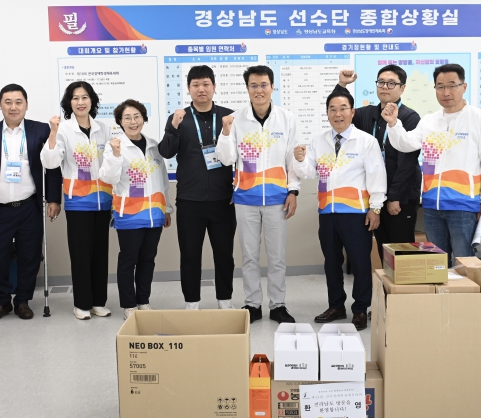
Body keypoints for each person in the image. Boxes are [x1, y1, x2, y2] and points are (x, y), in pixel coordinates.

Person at [383, 63, 481, 261]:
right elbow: (406, 144)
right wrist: (394, 123)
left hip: (463, 205)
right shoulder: (429, 121)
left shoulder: (480, 119)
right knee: (436, 264)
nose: (446, 92)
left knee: (464, 262)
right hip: (431, 206)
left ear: (463, 87)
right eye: (440, 86)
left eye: (452, 85)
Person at [293, 90, 386, 330]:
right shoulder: (318, 141)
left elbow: (377, 176)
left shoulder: (366, 141)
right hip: (327, 212)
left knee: (360, 263)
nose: (338, 114)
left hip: (356, 213)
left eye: (343, 108)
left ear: (352, 112)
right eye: (332, 109)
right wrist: (300, 159)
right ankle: (336, 306)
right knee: (331, 262)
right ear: (327, 113)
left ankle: (360, 309)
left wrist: (375, 208)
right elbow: (309, 173)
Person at [0, 84, 62, 322]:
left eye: (18, 102)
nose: (13, 107)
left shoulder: (40, 130)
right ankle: (2, 302)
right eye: (8, 102)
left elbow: (52, 167)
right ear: (0, 105)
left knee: (29, 257)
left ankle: (22, 301)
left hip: (29, 206)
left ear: (26, 105)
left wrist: (54, 198)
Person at [217, 65, 299, 324]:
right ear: (247, 89)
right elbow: (226, 158)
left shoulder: (287, 119)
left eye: (264, 85)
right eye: (254, 85)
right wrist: (226, 133)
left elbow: (292, 159)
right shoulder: (235, 119)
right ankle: (252, 303)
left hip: (277, 199)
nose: (259, 90)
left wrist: (294, 190)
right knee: (250, 256)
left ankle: (278, 305)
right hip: (245, 199)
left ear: (272, 87)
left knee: (277, 257)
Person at [158, 65, 236, 310]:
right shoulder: (180, 118)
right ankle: (192, 302)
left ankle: (225, 299)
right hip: (190, 200)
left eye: (206, 84)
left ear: (214, 87)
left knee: (224, 254)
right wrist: (173, 126)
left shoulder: (228, 116)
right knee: (190, 255)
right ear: (189, 88)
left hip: (223, 199)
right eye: (196, 85)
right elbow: (166, 151)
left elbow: (240, 156)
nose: (201, 89)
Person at [41, 81, 113, 320]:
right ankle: (82, 303)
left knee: (100, 253)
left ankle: (98, 301)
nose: (80, 102)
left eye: (84, 97)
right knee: (81, 254)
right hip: (79, 202)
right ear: (68, 103)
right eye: (75, 98)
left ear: (92, 101)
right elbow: (50, 162)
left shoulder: (104, 129)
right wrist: (53, 132)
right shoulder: (63, 130)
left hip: (103, 201)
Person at [334, 66, 421, 261]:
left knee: (401, 252)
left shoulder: (409, 117)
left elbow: (408, 163)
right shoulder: (368, 114)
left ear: (402, 88)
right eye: (381, 82)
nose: (385, 87)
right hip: (375, 195)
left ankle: (403, 283)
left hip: (401, 196)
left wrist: (394, 197)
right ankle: (387, 282)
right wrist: (342, 86)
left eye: (391, 83)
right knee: (384, 249)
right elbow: (341, 110)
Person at [100, 99, 172, 320]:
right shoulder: (115, 146)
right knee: (128, 260)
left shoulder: (153, 145)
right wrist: (116, 155)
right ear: (120, 122)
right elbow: (108, 178)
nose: (133, 122)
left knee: (148, 259)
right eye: (127, 118)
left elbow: (163, 179)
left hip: (154, 213)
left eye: (137, 116)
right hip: (129, 214)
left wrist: (167, 208)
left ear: (143, 118)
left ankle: (143, 301)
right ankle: (129, 305)